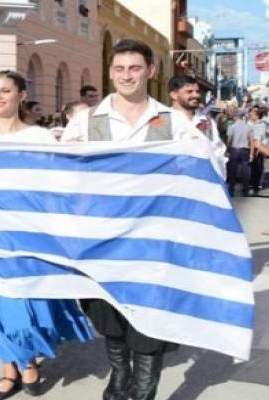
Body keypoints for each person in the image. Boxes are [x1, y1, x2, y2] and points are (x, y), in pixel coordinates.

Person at [61, 39, 211, 400]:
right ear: (110, 72)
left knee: (151, 317)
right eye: (119, 69)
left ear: (151, 71)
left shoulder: (175, 123)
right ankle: (119, 372)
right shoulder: (85, 121)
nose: (126, 75)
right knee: (108, 315)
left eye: (134, 68)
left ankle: (144, 390)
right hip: (102, 239)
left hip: (155, 242)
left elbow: (207, 176)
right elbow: (62, 175)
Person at [0, 71, 93, 400]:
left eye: (6, 90)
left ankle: (25, 362)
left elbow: (55, 184)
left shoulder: (39, 137)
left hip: (27, 231)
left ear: (22, 95)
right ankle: (10, 367)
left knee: (23, 299)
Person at [226, 111, 253, 196]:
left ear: (235, 117)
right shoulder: (248, 127)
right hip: (245, 149)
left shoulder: (231, 126)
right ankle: (245, 190)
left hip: (235, 149)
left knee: (232, 170)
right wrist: (251, 153)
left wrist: (227, 150)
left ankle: (231, 189)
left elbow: (229, 140)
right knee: (245, 171)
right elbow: (251, 141)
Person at [248, 106, 267, 195]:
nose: (250, 115)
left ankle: (258, 185)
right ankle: (252, 184)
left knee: (259, 167)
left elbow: (261, 137)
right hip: (252, 147)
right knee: (252, 167)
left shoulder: (262, 125)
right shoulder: (250, 124)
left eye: (252, 114)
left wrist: (260, 148)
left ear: (257, 115)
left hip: (259, 148)